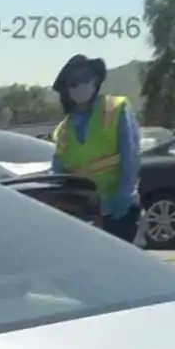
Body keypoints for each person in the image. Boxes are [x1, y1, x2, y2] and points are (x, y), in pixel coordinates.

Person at [49, 55, 142, 242]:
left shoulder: (117, 109)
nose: (80, 85)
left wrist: (122, 200)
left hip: (118, 212)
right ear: (66, 90)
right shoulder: (64, 130)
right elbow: (58, 173)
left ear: (96, 79)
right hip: (84, 215)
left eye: (85, 78)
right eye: (73, 82)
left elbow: (130, 158)